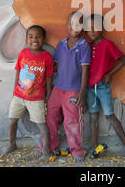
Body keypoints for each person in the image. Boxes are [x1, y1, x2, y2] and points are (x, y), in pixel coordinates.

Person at [85, 14, 125, 157]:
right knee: (93, 117)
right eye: (89, 28)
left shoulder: (107, 44)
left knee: (110, 115)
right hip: (89, 88)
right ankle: (94, 146)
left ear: (102, 29)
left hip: (102, 87)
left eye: (95, 28)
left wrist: (110, 73)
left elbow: (124, 60)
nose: (92, 31)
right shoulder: (86, 46)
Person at [46, 12, 91, 162]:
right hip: (58, 88)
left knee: (72, 120)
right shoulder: (61, 44)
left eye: (79, 24)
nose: (75, 27)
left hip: (74, 89)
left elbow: (85, 70)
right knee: (50, 115)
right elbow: (57, 65)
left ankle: (77, 150)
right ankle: (51, 146)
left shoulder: (84, 46)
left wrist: (82, 92)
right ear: (67, 26)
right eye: (72, 24)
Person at [4, 25, 53, 159]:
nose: (34, 39)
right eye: (31, 37)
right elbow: (18, 72)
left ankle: (46, 151)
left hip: (37, 98)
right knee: (12, 120)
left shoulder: (47, 57)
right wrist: (14, 91)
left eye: (38, 36)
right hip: (19, 96)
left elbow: (49, 78)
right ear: (26, 40)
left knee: (42, 125)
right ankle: (11, 143)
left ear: (43, 39)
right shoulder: (23, 53)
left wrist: (48, 96)